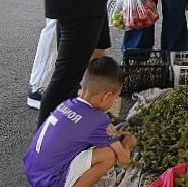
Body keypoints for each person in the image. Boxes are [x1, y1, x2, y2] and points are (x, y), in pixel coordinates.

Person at [24, 57, 138, 187]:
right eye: (116, 97)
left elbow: (82, 130)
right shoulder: (99, 120)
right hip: (50, 182)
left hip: (33, 170)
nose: (115, 101)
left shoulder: (68, 103)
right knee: (109, 155)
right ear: (107, 96)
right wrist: (128, 144)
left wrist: (114, 135)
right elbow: (124, 160)